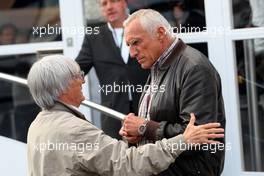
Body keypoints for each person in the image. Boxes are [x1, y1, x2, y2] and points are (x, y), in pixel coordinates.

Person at [26, 55, 224, 176]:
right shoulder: (73, 130)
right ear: (62, 88)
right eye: (78, 76)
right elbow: (128, 165)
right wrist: (183, 140)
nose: (83, 81)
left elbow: (87, 161)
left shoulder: (38, 124)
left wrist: (128, 140)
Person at [120, 9, 226, 176]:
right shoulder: (158, 65)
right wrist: (135, 134)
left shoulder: (194, 67)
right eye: (128, 45)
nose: (132, 53)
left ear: (160, 33)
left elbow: (198, 137)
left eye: (136, 42)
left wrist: (144, 128)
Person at [76, 0, 149, 139]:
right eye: (104, 4)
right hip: (113, 113)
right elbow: (77, 69)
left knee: (150, 155)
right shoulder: (93, 37)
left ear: (124, 3)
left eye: (113, 1)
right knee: (116, 158)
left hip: (147, 108)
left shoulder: (142, 28)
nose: (109, 7)